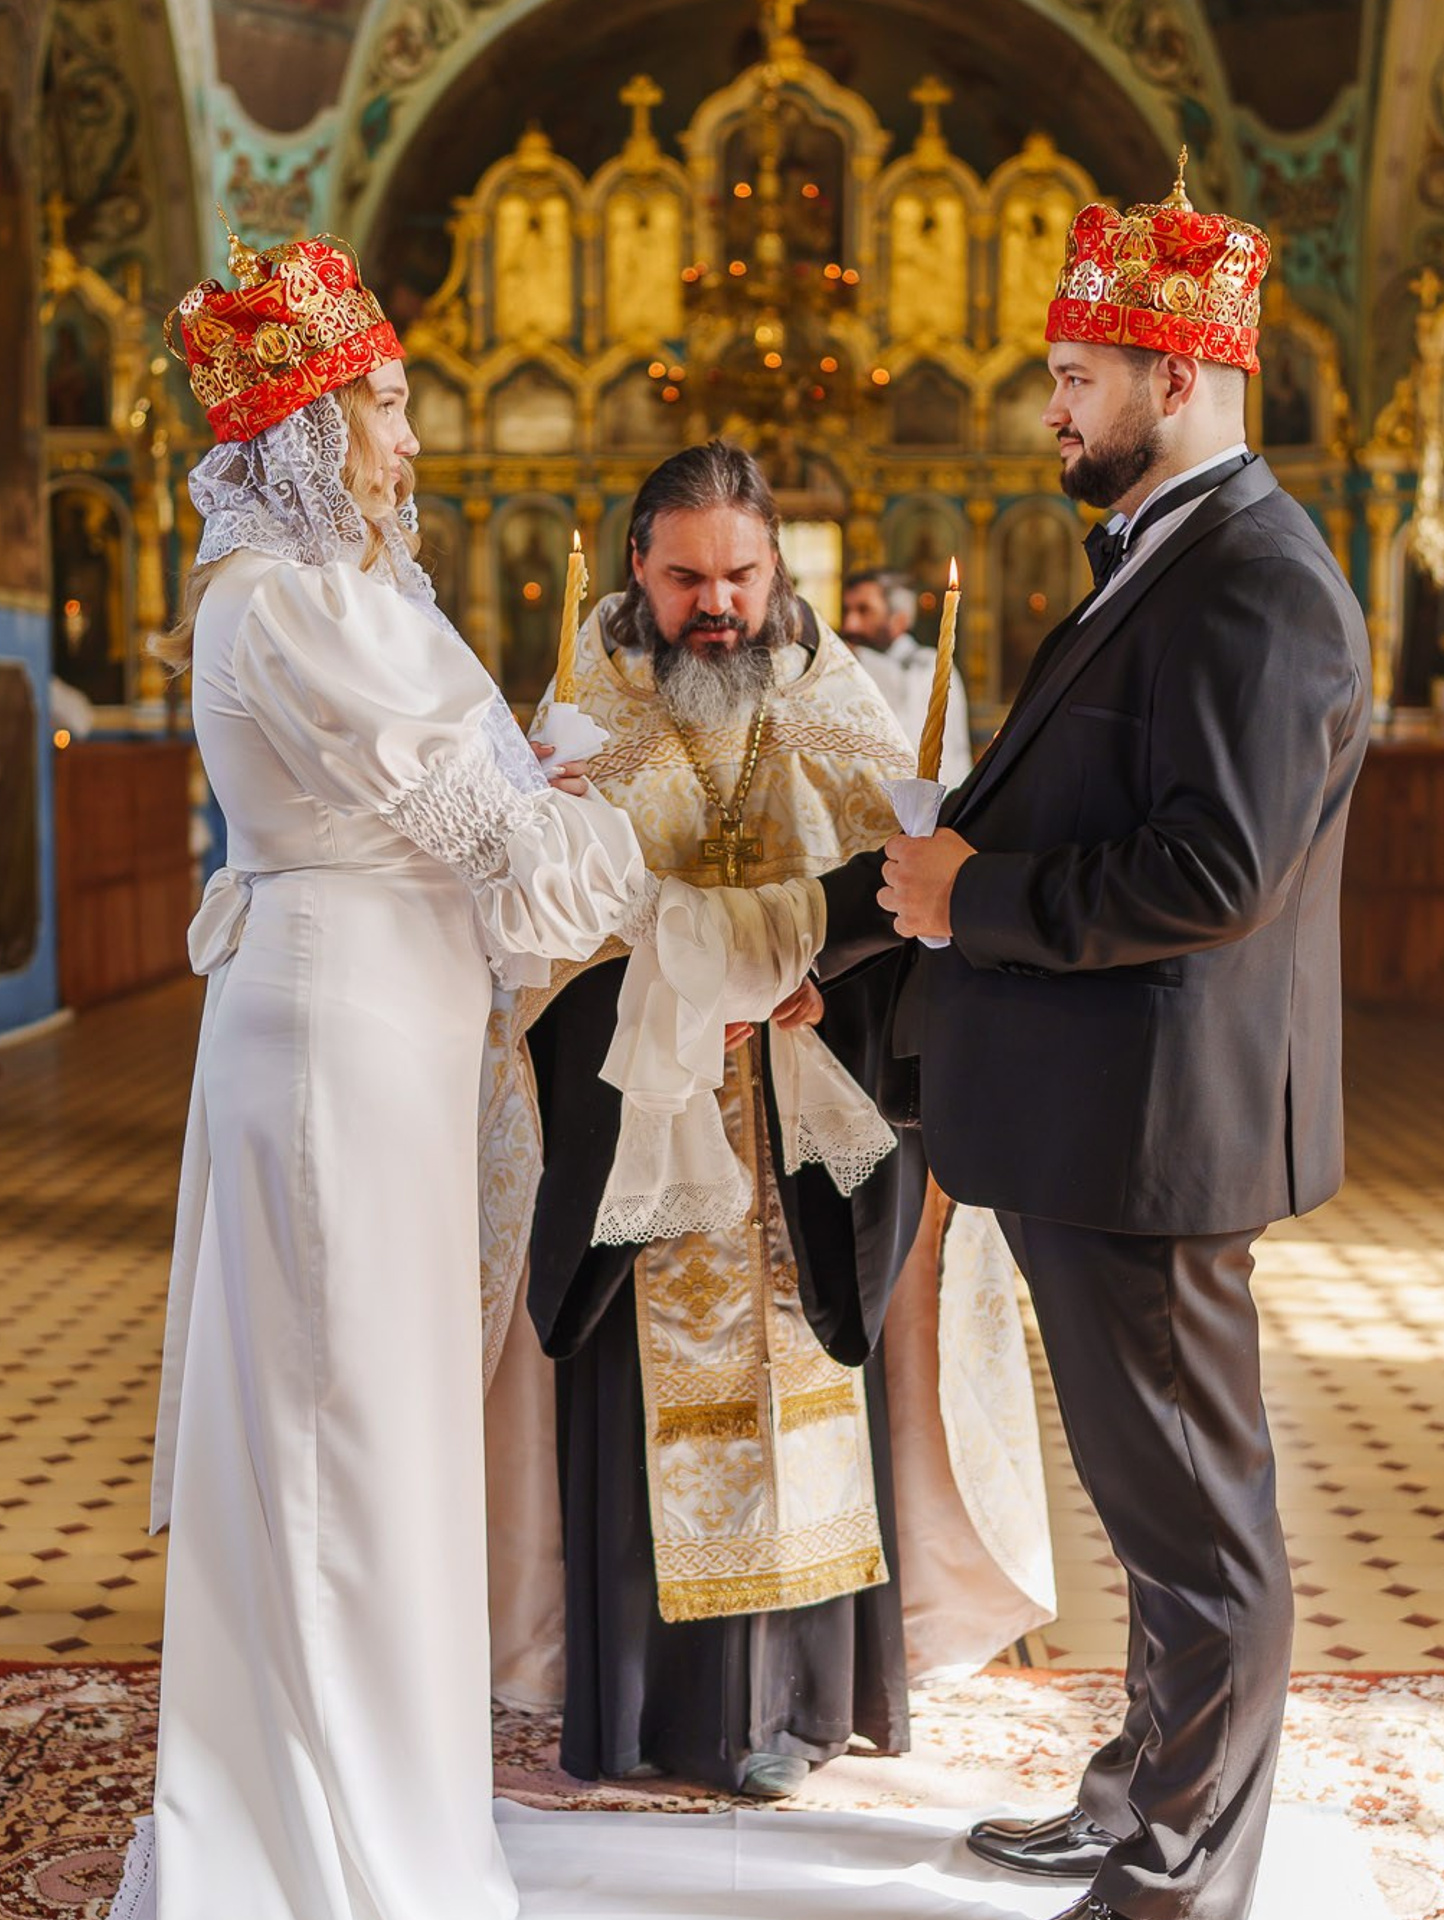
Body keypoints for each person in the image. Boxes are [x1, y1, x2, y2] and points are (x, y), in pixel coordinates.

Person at [812, 155, 1371, 1920]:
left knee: (1199, 1526)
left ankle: (1182, 1877)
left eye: (1077, 381)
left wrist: (971, 900)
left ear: (1177, 383)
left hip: (1156, 1129)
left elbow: (1211, 871)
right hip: (1095, 1113)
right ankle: (1141, 1790)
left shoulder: (1260, 585)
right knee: (1151, 1509)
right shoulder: (1161, 560)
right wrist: (862, 915)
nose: (1051, 412)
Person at [107, 228, 649, 1920]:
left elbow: (475, 798)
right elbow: (508, 841)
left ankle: (373, 1805)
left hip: (370, 1036)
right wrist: (632, 825)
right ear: (311, 433)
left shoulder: (310, 603)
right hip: (340, 1050)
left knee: (375, 1423)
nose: (410, 444)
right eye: (391, 412)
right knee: (346, 1440)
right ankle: (332, 1847)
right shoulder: (298, 606)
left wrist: (553, 791)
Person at [478, 441, 1054, 1800]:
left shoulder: (842, 705)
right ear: (638, 567)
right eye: (685, 577)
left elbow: (902, 889)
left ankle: (809, 1701)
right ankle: (639, 1710)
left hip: (802, 1139)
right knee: (639, 1411)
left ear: (780, 566)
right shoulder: (576, 715)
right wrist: (673, 989)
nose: (716, 603)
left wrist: (822, 982)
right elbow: (534, 935)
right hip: (643, 1127)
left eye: (740, 573)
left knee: (811, 1394)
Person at [840, 567, 972, 785]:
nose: (850, 624)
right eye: (847, 610)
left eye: (864, 611)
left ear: (898, 620)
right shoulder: (848, 664)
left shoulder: (927, 665)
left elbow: (907, 730)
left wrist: (852, 656)